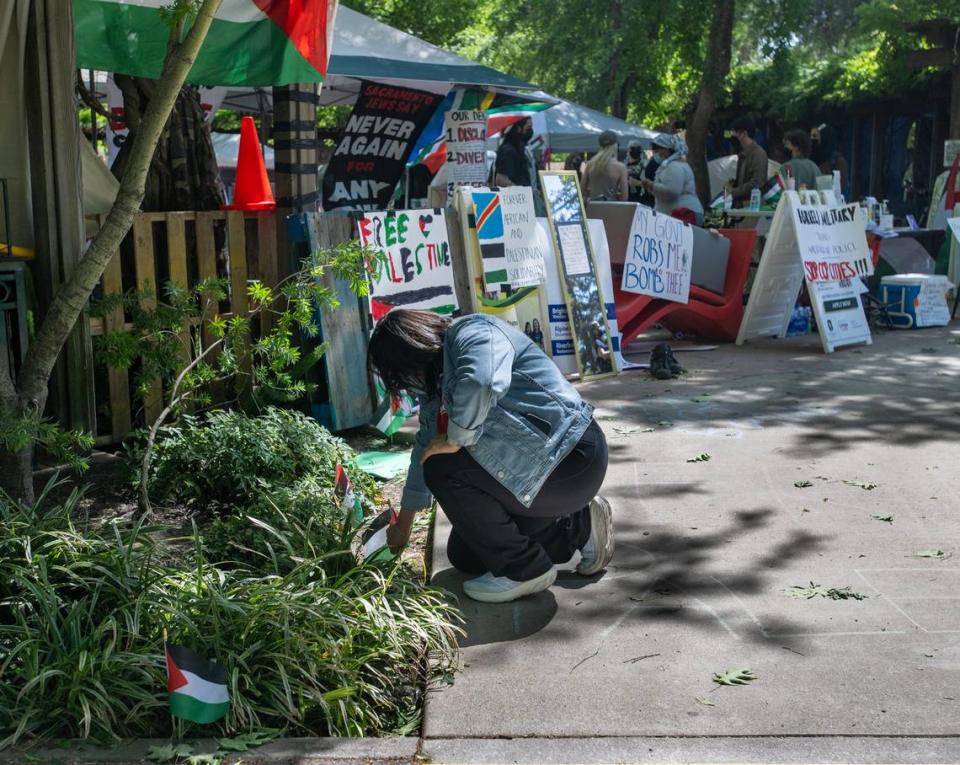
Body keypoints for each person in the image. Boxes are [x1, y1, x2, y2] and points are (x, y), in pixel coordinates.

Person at [369, 310, 613, 604]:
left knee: (442, 465)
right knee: (466, 554)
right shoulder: (435, 387)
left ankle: (525, 570)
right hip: (538, 478)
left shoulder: (473, 332)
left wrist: (456, 437)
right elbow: (423, 447)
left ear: (412, 351)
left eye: (402, 374)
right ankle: (578, 526)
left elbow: (481, 382)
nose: (407, 384)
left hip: (571, 458)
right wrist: (403, 528)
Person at [641, 134, 704, 225]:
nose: (655, 153)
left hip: (683, 214)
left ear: (666, 150)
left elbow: (672, 191)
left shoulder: (674, 166)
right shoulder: (675, 165)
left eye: (657, 150)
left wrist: (651, 185)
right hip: (682, 213)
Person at [728, 116, 768, 208]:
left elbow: (757, 183)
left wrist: (732, 192)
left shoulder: (758, 154)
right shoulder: (743, 153)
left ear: (744, 133)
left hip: (751, 208)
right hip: (742, 208)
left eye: (735, 132)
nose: (733, 135)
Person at [582, 130, 628, 201]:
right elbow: (625, 198)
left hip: (593, 207)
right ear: (615, 145)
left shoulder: (590, 164)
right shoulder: (621, 167)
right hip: (611, 208)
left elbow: (581, 190)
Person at [811, 123, 849, 195]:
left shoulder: (837, 161)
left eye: (815, 136)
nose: (812, 139)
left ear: (825, 137)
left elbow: (840, 188)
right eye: (811, 136)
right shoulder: (809, 158)